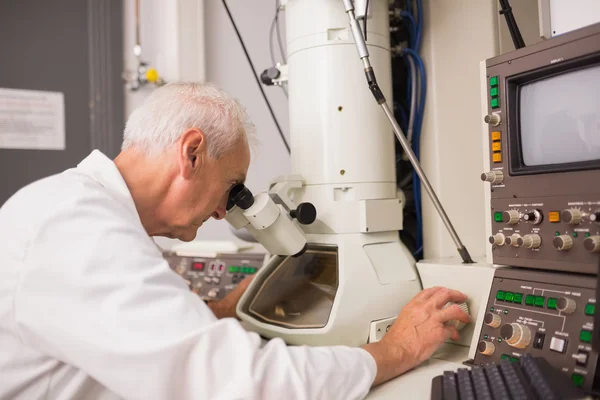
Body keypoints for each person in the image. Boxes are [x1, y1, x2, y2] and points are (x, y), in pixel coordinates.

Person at [0, 82, 470, 400]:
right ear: (192, 153)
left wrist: (218, 314)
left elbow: (115, 332)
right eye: (233, 186)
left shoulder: (77, 210)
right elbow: (240, 384)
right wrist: (395, 351)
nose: (225, 211)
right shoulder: (79, 227)